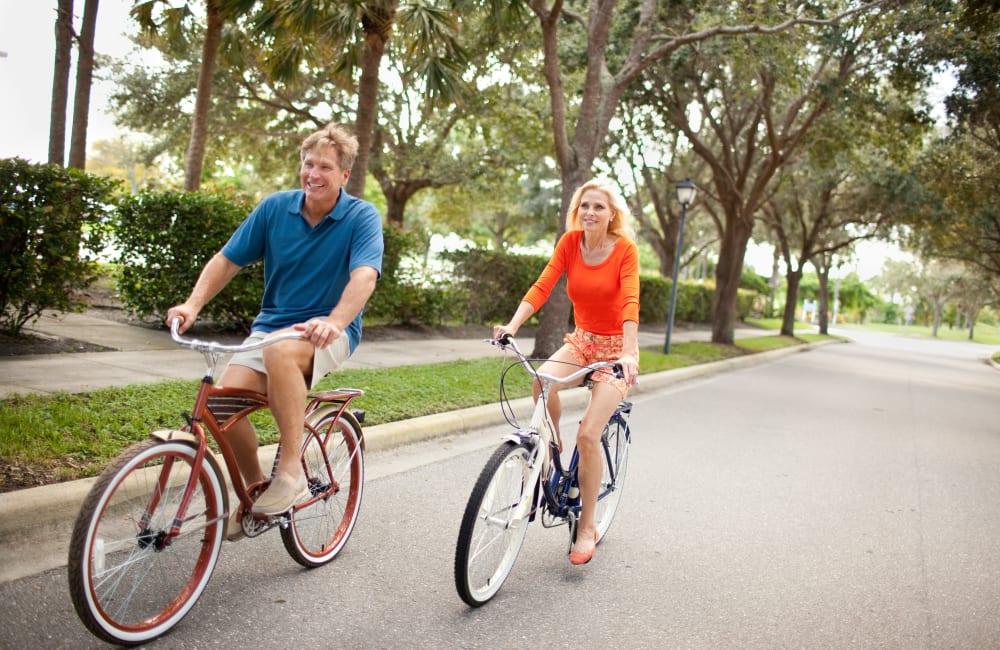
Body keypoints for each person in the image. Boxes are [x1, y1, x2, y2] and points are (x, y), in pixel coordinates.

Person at [166, 123, 383, 522]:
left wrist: (335, 321)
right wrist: (192, 305)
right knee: (219, 403)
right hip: (270, 328)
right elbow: (227, 259)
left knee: (280, 351)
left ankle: (290, 472)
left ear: (344, 175)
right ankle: (256, 493)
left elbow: (365, 276)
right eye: (308, 164)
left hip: (328, 330)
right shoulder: (274, 209)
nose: (314, 174)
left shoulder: (360, 216)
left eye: (325, 167)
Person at [493, 178, 640, 566]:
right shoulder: (569, 244)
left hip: (614, 352)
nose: (590, 212)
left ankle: (588, 525)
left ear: (612, 215)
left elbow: (629, 301)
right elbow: (542, 286)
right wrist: (512, 326)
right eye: (585, 206)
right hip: (582, 341)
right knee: (541, 381)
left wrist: (629, 352)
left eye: (599, 207)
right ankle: (552, 447)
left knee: (590, 434)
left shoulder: (624, 250)